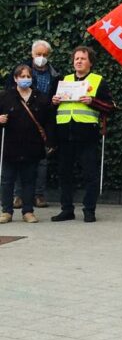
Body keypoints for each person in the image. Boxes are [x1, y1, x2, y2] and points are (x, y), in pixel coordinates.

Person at [50, 46, 115, 223]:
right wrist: (54, 101)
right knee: (64, 174)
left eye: (83, 58)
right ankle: (67, 209)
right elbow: (51, 106)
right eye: (76, 58)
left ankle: (89, 210)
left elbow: (111, 107)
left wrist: (92, 101)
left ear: (90, 62)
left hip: (87, 135)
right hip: (64, 135)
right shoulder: (64, 80)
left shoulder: (98, 80)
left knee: (90, 175)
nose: (78, 61)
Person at [6, 40, 60, 210]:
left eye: (45, 55)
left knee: (41, 161)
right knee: (16, 161)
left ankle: (38, 194)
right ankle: (17, 197)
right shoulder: (22, 71)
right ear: (32, 54)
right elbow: (9, 96)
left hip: (43, 120)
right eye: (38, 54)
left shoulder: (55, 75)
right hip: (20, 120)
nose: (41, 58)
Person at [1, 65, 55, 224]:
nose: (25, 79)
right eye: (22, 76)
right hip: (9, 146)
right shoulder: (5, 96)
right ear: (15, 78)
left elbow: (49, 122)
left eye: (28, 76)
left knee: (29, 179)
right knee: (7, 180)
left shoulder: (42, 98)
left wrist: (51, 141)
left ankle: (28, 211)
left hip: (32, 145)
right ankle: (6, 211)